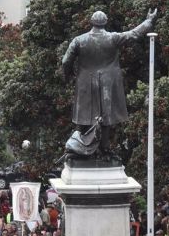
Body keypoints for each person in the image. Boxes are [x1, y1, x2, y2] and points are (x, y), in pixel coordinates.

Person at [61, 8, 157, 155]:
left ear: (91, 22)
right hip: (108, 83)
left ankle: (78, 146)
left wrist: (67, 76)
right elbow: (134, 34)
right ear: (105, 22)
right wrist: (148, 21)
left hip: (85, 83)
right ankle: (104, 149)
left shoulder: (79, 40)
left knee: (83, 117)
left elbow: (65, 61)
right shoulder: (113, 38)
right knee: (106, 117)